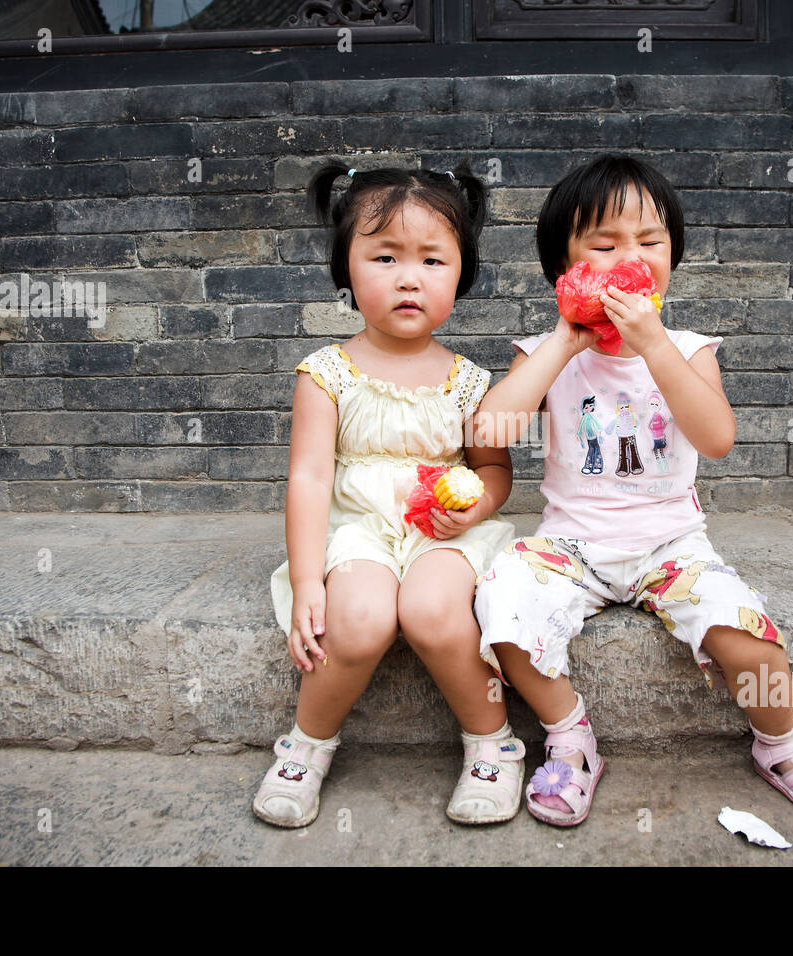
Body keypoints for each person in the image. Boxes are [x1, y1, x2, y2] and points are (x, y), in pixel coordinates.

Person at [471, 154, 793, 826]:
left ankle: (784, 745)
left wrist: (655, 348)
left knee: (751, 638)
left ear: (673, 253)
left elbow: (716, 438)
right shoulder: (541, 350)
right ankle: (570, 738)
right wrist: (563, 344)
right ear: (564, 266)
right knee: (499, 607)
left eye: (651, 242)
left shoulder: (687, 346)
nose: (634, 256)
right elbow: (492, 427)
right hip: (569, 544)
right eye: (605, 244)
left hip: (671, 544)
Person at [259, 161, 522, 828]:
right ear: (345, 270)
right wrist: (310, 578)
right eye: (384, 256)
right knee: (360, 619)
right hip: (359, 530)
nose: (410, 277)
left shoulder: (469, 381)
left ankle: (493, 744)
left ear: (461, 274)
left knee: (434, 611)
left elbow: (495, 472)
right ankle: (306, 746)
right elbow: (311, 478)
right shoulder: (326, 373)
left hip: (443, 531)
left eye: (434, 259)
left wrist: (477, 507)